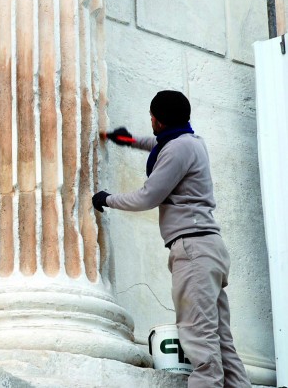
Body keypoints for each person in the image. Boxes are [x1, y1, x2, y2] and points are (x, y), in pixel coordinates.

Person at [92, 90, 251, 388]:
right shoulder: (190, 141)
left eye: (152, 118)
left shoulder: (177, 149)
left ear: (159, 120)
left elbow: (148, 196)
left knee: (198, 338)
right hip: (208, 249)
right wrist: (127, 140)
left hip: (193, 251)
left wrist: (107, 199)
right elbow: (156, 144)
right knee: (220, 341)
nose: (150, 122)